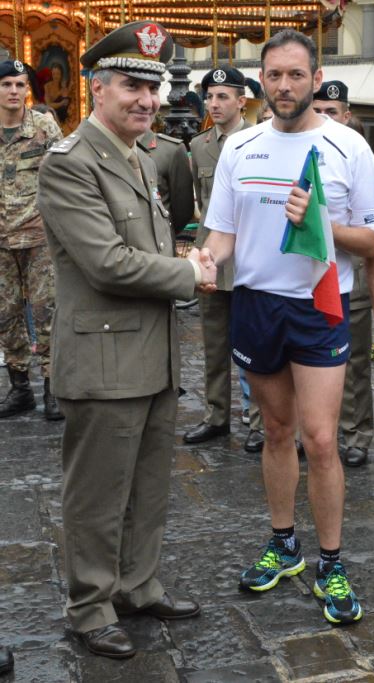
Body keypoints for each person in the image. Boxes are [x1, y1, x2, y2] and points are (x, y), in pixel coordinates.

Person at [37, 21, 216, 659]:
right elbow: (107, 263)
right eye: (131, 86)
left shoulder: (141, 156)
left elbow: (147, 245)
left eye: (153, 87)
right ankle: (88, 609)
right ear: (97, 89)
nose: (146, 99)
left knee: (146, 485)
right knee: (97, 492)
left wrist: (183, 255)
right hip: (103, 355)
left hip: (153, 352)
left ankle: (137, 585)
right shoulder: (70, 163)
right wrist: (190, 273)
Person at [203, 29, 374, 624]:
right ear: (262, 78)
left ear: (315, 75)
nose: (284, 86)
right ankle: (285, 544)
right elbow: (222, 236)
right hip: (256, 303)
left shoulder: (348, 146)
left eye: (295, 75)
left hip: (318, 305)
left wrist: (323, 223)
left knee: (322, 438)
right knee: (277, 434)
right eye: (274, 75)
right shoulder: (240, 147)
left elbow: (373, 239)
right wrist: (199, 264)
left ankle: (332, 562)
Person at [183, 66, 263, 453]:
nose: (214, 104)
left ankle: (259, 419)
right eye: (210, 97)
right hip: (211, 256)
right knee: (214, 344)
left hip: (250, 257)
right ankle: (216, 416)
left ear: (241, 101)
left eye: (223, 96)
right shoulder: (199, 146)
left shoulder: (260, 141)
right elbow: (192, 203)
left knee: (254, 343)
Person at [313, 80, 373, 467]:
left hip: (353, 275)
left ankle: (357, 434)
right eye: (319, 110)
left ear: (347, 116)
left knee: (355, 363)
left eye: (332, 112)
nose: (325, 118)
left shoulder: (361, 155)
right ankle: (320, 432)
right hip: (310, 279)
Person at [0, 59, 63, 421]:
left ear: (28, 90)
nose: (13, 91)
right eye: (7, 84)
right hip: (2, 241)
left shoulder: (43, 126)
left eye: (20, 85)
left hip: (39, 237)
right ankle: (19, 386)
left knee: (47, 313)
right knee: (5, 316)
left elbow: (62, 174)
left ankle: (53, 389)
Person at [137, 127, 195, 234]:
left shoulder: (170, 150)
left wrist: (165, 235)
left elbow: (183, 210)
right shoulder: (108, 147)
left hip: (160, 241)